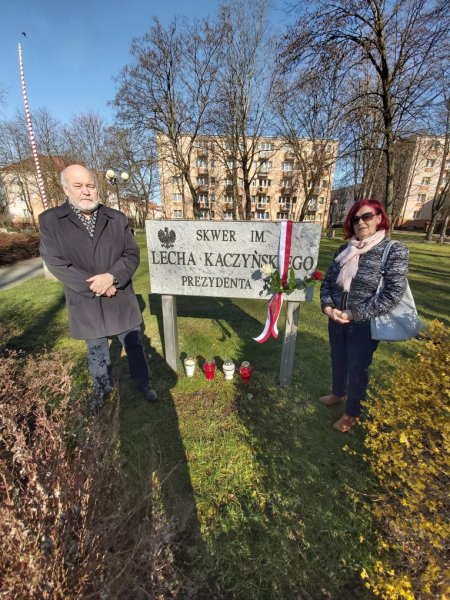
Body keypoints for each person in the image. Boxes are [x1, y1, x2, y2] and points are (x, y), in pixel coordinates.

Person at [39, 164, 157, 411]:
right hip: (85, 299)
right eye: (78, 186)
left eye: (90, 185)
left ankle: (143, 382)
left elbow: (131, 254)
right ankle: (102, 390)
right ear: (66, 189)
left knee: (134, 344)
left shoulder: (116, 218)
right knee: (96, 349)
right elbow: (56, 262)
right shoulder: (51, 220)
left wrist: (112, 277)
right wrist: (98, 285)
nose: (86, 191)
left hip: (119, 294)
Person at [319, 199, 409, 432]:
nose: (361, 222)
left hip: (364, 323)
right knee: (338, 358)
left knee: (358, 367)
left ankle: (352, 413)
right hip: (336, 318)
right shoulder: (344, 250)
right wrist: (328, 307)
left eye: (367, 216)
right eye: (355, 219)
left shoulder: (393, 250)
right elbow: (327, 283)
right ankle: (338, 393)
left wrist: (353, 313)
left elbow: (392, 294)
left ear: (379, 218)